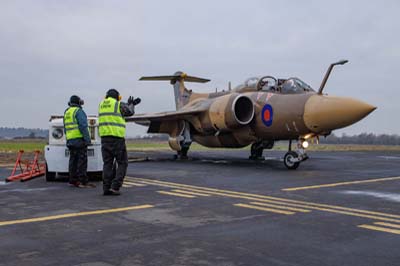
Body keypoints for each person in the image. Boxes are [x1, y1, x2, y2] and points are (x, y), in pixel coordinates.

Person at [98, 89, 140, 195]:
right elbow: (129, 112)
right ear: (117, 97)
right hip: (116, 139)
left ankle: (106, 188)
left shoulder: (102, 105)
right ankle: (115, 186)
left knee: (107, 164)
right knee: (122, 163)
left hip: (104, 139)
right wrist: (132, 105)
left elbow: (117, 109)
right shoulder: (118, 104)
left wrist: (128, 103)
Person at [63, 95, 95, 188]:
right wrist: (87, 140)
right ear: (78, 102)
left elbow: (65, 128)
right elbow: (83, 126)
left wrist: (69, 138)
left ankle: (72, 180)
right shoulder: (79, 111)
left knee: (73, 160)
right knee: (82, 160)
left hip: (70, 140)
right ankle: (82, 181)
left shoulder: (67, 112)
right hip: (79, 140)